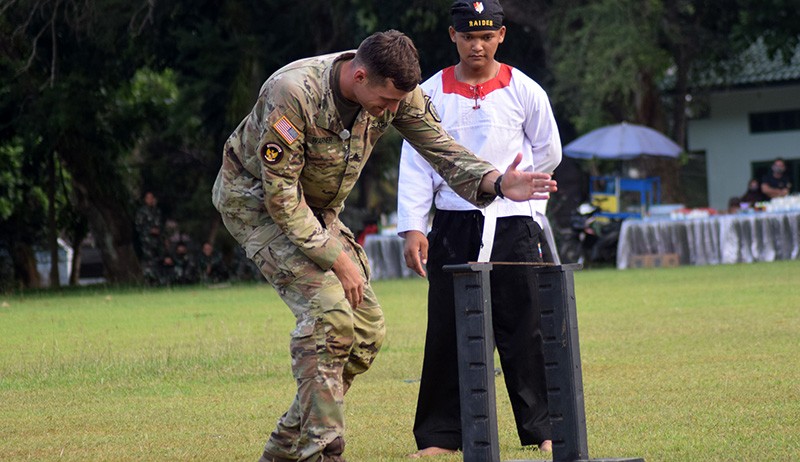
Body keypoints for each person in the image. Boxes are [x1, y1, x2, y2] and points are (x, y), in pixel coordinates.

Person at [211, 29, 557, 462]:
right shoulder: (292, 94)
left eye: (398, 103)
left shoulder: (398, 94)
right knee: (331, 318)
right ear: (359, 76)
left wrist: (498, 182)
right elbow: (280, 198)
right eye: (386, 101)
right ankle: (322, 451)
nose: (392, 112)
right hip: (258, 206)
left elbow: (443, 149)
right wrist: (337, 257)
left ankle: (283, 449)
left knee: (366, 332)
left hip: (317, 212)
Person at [396, 2, 561, 457]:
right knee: (449, 326)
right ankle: (439, 437)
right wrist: (414, 226)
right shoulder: (429, 94)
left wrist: (527, 193)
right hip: (453, 220)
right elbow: (415, 163)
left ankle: (544, 427)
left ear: (501, 36)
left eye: (487, 36)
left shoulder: (524, 90)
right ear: (453, 36)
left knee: (525, 325)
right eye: (469, 35)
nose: (477, 44)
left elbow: (548, 150)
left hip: (512, 220)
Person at [134, 191, 166, 284]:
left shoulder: (157, 211)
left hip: (157, 240)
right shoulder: (142, 212)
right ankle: (148, 279)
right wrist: (149, 231)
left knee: (157, 259)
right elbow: (138, 226)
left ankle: (157, 279)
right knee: (148, 260)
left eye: (152, 198)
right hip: (147, 240)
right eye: (148, 198)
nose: (151, 200)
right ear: (145, 200)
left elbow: (160, 225)